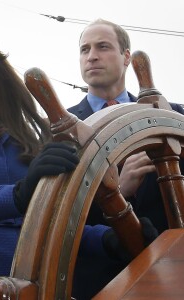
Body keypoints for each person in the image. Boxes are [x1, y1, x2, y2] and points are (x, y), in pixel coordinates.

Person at [0, 21, 157, 300]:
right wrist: (18, 194)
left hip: (37, 285)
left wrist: (107, 239)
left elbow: (53, 218)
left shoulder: (30, 133)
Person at [68, 18, 184, 299]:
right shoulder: (60, 130)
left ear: (127, 57)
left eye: (103, 47)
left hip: (170, 275)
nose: (92, 56)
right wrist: (118, 191)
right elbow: (64, 215)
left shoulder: (174, 117)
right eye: (85, 49)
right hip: (97, 282)